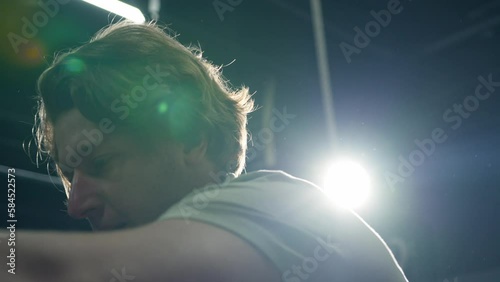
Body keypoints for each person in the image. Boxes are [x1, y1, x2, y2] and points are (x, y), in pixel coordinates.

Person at [1, 21, 408, 281]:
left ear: (195, 138)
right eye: (71, 177)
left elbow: (62, 272)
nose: (76, 205)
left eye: (103, 163)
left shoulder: (286, 206)